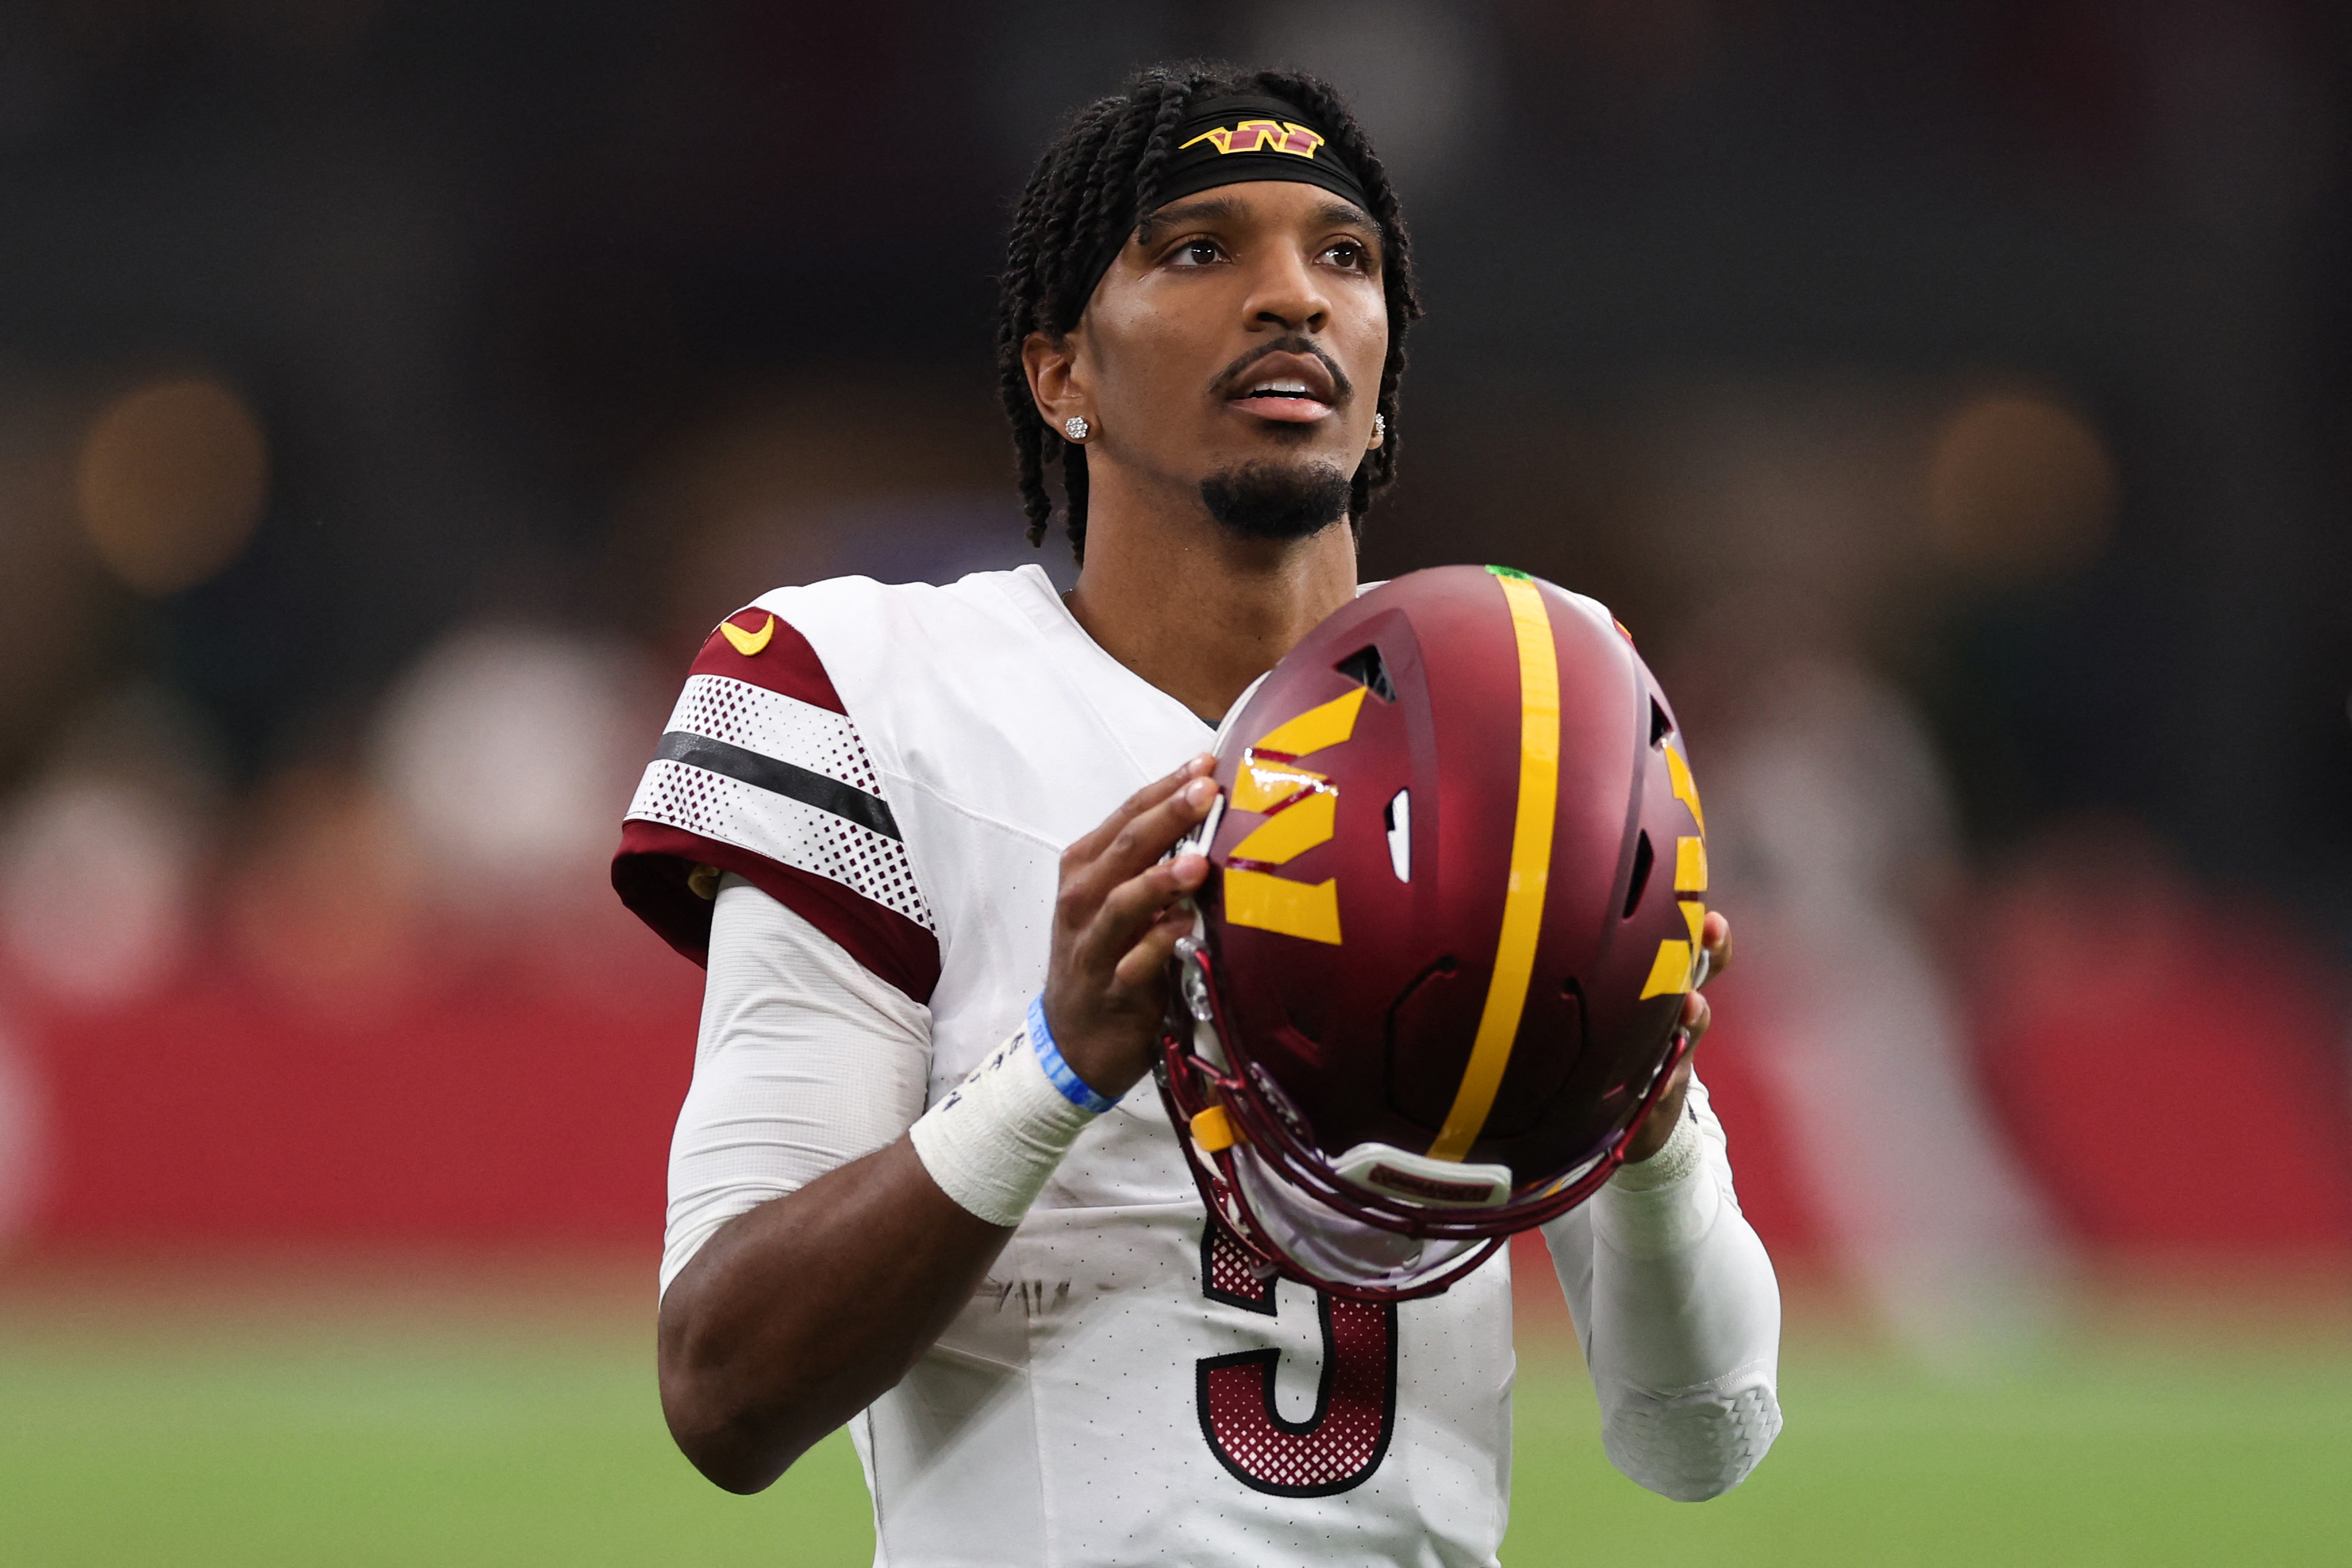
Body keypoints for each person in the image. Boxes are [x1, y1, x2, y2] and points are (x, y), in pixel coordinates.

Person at [613, 63, 1781, 1566]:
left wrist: (1653, 1117)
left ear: (1381, 372)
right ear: (1061, 375)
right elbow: (725, 1388)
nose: (1291, 296)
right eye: (1199, 248)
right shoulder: (875, 689)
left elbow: (1702, 1441)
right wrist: (1054, 1069)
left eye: (1341, 257)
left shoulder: (1532, 706)